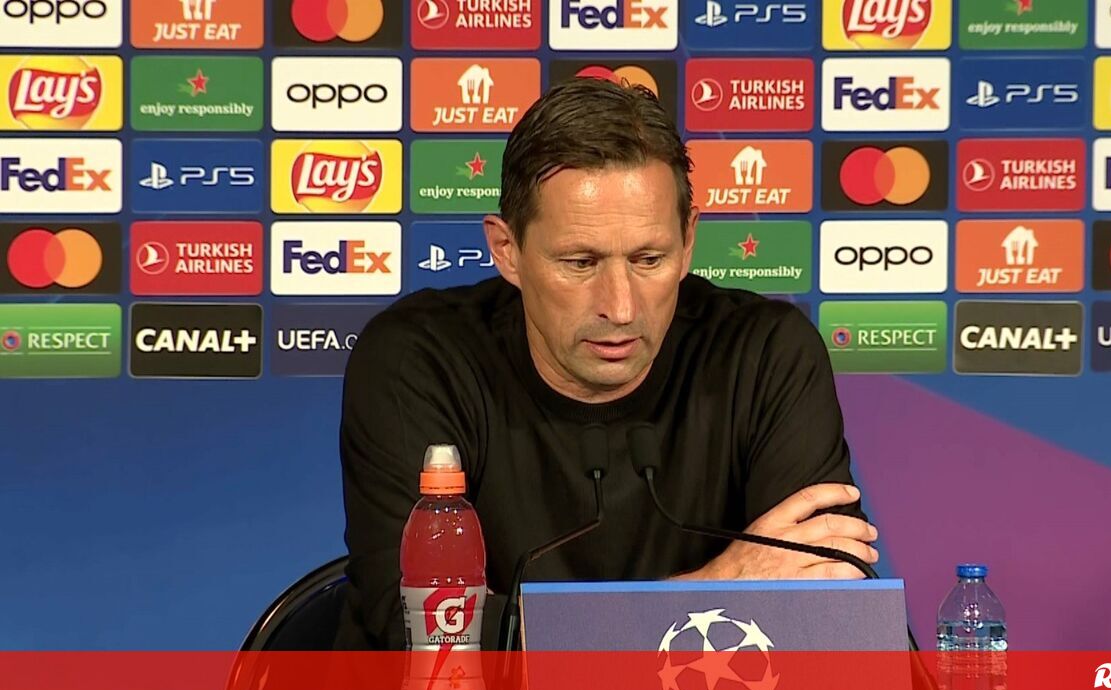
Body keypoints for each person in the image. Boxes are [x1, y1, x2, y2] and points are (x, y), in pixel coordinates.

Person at [334, 78, 878, 651]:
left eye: (649, 259)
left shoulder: (764, 353)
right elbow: (427, 632)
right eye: (580, 262)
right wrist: (713, 591)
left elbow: (828, 617)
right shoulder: (418, 361)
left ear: (688, 241)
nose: (620, 307)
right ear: (507, 251)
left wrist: (567, 632)